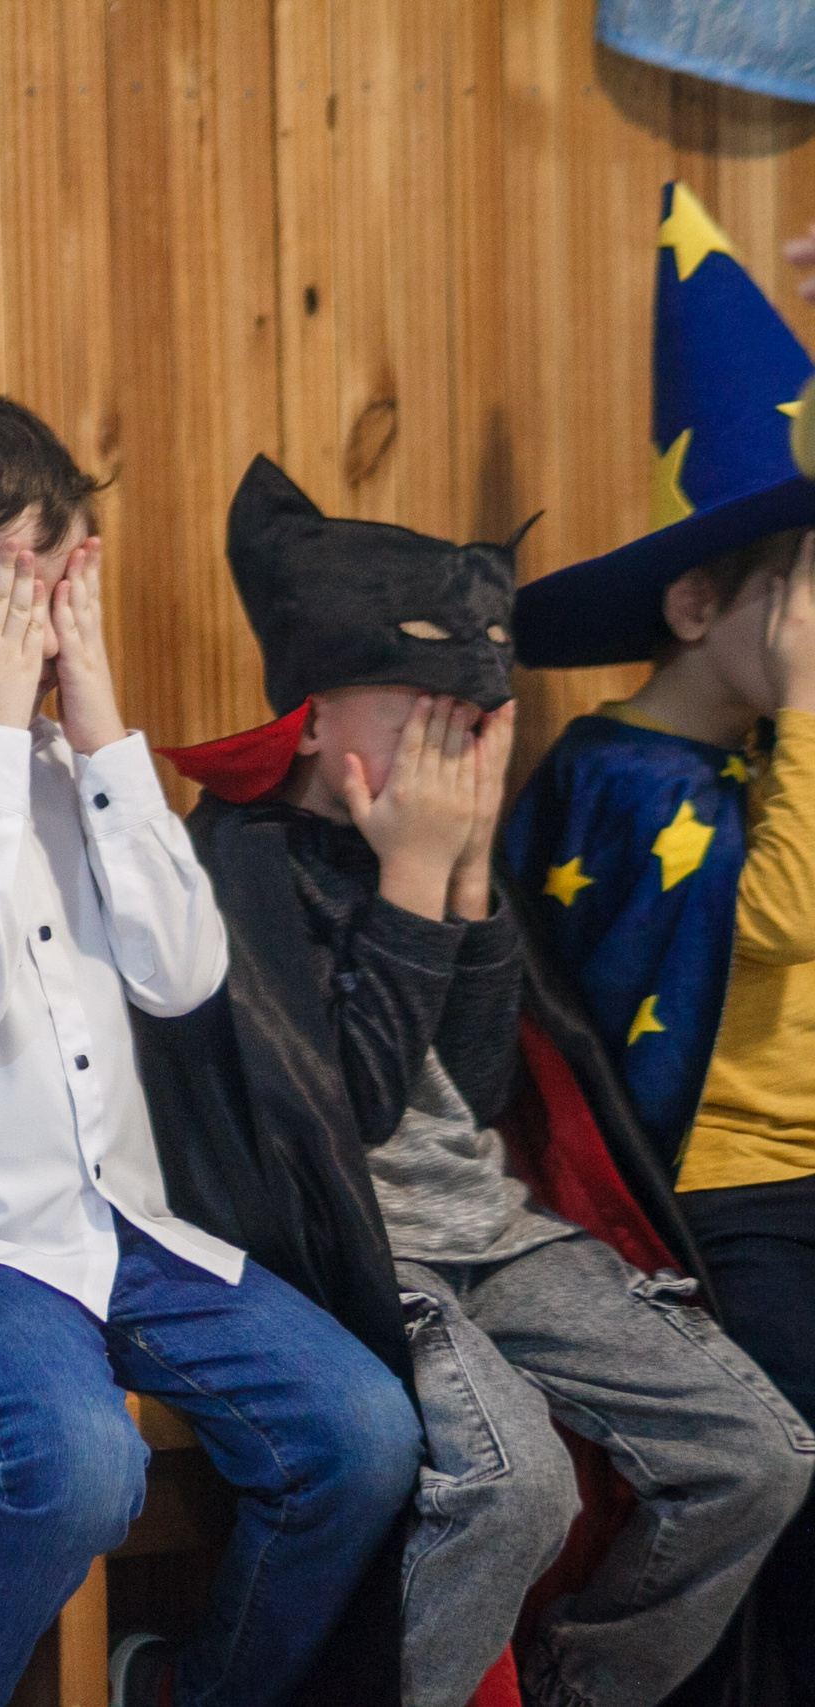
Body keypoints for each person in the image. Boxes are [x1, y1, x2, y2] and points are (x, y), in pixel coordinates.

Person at [0, 382, 421, 1707]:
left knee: (361, 1433)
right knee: (76, 1465)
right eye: (3, 592)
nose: (35, 627)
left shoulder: (69, 767)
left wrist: (101, 720)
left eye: (53, 589)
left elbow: (184, 975)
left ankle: (182, 1687)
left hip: (118, 1227)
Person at [143, 454, 814, 1707]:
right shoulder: (239, 862)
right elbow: (347, 1117)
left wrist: (461, 884)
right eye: (418, 708)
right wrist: (413, 880)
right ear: (315, 717)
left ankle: (575, 1690)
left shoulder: (429, 841)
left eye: (472, 716)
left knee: (754, 1454)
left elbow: (471, 1074)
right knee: (515, 1486)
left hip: (490, 1234)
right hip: (356, 1251)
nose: (449, 744)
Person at [508, 182, 815, 1704]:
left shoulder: (766, 764)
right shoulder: (621, 779)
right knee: (788, 1448)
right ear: (696, 603)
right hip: (714, 1200)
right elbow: (780, 914)